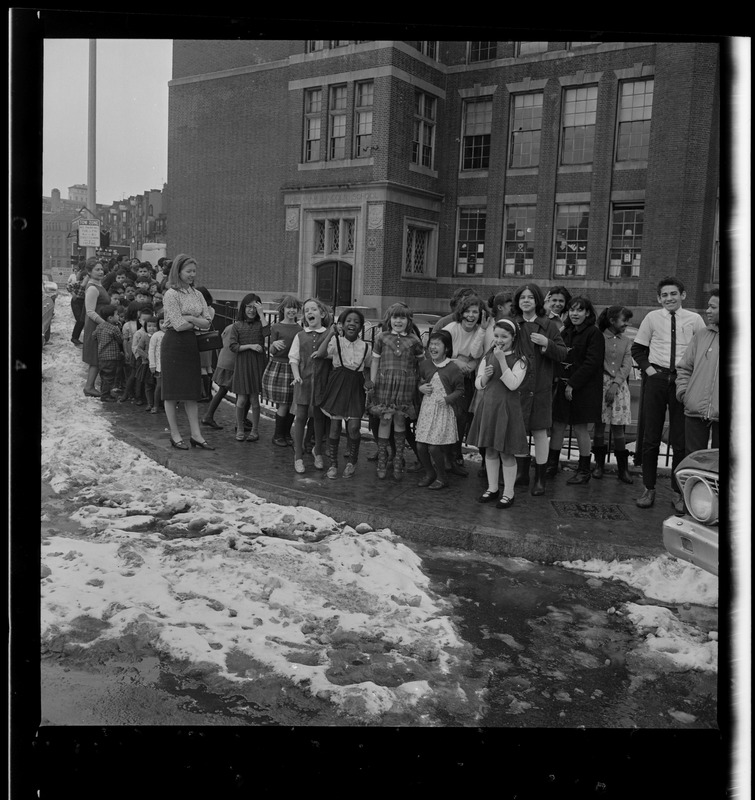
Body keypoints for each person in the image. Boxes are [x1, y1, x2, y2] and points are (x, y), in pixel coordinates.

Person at [631, 276, 707, 510]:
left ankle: (678, 491)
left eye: (673, 294)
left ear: (682, 295)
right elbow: (638, 348)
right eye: (664, 295)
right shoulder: (652, 318)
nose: (669, 298)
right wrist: (651, 371)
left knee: (680, 439)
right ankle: (649, 488)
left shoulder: (694, 319)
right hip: (657, 379)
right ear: (658, 298)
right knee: (650, 436)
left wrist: (691, 377)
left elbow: (703, 350)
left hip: (682, 381)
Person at [511, 283, 568, 495]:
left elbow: (563, 353)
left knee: (540, 432)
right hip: (517, 387)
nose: (526, 301)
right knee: (518, 431)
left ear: (537, 301)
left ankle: (541, 477)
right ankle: (521, 473)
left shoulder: (548, 326)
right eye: (522, 297)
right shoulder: (512, 324)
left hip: (542, 387)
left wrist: (547, 344)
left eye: (530, 297)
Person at [468, 318, 529, 507]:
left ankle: (509, 492)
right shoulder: (488, 356)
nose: (499, 340)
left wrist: (502, 361)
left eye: (504, 336)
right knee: (491, 450)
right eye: (496, 336)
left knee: (507, 453)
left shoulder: (520, 360)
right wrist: (484, 376)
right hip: (489, 406)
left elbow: (512, 384)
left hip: (507, 409)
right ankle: (492, 488)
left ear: (513, 337)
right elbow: (478, 384)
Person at [160, 253, 216, 450]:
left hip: (191, 344)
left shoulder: (196, 294)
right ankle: (175, 435)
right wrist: (194, 320)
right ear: (179, 271)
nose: (192, 274)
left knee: (191, 392)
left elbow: (208, 322)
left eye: (194, 271)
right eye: (188, 271)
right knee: (173, 392)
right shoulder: (171, 294)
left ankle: (196, 435)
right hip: (174, 345)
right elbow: (177, 324)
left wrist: (189, 319)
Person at [548, 297, 606, 485]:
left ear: (587, 313)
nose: (575, 314)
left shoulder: (594, 333)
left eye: (579, 310)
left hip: (584, 389)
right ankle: (551, 464)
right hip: (563, 385)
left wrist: (573, 383)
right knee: (558, 425)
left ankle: (583, 470)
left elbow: (592, 362)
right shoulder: (566, 331)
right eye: (572, 310)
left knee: (581, 428)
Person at [368, 303, 425, 480]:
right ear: (389, 319)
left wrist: (422, 382)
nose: (398, 321)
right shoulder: (382, 337)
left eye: (402, 318)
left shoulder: (415, 341)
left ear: (408, 321)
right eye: (395, 317)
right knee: (385, 421)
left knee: (400, 421)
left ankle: (399, 460)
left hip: (405, 386)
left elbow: (421, 364)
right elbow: (375, 362)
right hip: (385, 385)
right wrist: (372, 381)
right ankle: (383, 460)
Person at [315, 308, 372, 479]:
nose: (352, 324)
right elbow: (321, 353)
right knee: (334, 428)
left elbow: (368, 367)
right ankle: (333, 464)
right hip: (338, 385)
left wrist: (369, 381)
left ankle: (352, 462)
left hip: (355, 386)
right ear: (342, 324)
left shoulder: (366, 347)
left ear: (361, 326)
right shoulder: (336, 342)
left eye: (356, 321)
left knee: (354, 427)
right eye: (348, 321)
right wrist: (330, 334)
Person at [441, 293, 490, 472]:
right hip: (449, 377)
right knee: (452, 416)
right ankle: (449, 456)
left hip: (468, 378)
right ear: (461, 313)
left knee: (463, 418)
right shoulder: (451, 328)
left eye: (475, 312)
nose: (471, 316)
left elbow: (476, 353)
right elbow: (440, 353)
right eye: (468, 311)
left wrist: (482, 330)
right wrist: (458, 361)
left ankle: (455, 454)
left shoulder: (480, 331)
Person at [414, 330, 465, 490]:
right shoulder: (425, 365)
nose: (433, 348)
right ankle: (430, 473)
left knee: (434, 447)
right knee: (421, 446)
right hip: (427, 410)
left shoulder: (453, 368)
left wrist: (447, 399)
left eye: (437, 344)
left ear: (447, 348)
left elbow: (460, 389)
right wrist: (420, 388)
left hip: (443, 411)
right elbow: (418, 381)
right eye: (431, 344)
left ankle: (442, 477)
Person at [591, 305, 635, 484]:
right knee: (600, 424)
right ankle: (599, 465)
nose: (626, 324)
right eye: (624, 321)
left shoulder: (626, 341)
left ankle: (622, 469)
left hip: (619, 387)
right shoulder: (599, 338)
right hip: (600, 385)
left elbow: (627, 364)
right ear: (612, 321)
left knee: (618, 426)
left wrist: (616, 383)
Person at [289, 298, 332, 473]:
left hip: (322, 383)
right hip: (303, 382)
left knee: (319, 418)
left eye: (313, 310)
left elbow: (335, 355)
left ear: (322, 314)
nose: (309, 313)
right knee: (300, 417)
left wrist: (325, 355)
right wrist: (297, 376)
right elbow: (294, 359)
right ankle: (298, 455)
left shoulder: (329, 334)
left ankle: (318, 451)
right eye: (307, 311)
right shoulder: (300, 336)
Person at [675, 290, 720, 455]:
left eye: (712, 307)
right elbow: (685, 368)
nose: (707, 311)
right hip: (695, 412)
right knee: (694, 463)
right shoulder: (701, 335)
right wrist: (685, 394)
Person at [262, 295, 303, 447]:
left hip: (295, 368)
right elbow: (271, 350)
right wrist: (274, 345)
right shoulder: (276, 327)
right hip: (279, 367)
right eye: (288, 307)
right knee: (283, 404)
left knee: (293, 403)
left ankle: (286, 433)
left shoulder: (300, 329)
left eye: (294, 308)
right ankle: (278, 434)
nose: (291, 310)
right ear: (283, 309)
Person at [229, 293, 269, 442]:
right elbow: (233, 346)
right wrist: (251, 346)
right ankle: (239, 428)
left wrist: (262, 314)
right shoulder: (237, 325)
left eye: (255, 307)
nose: (251, 310)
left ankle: (255, 430)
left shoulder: (260, 324)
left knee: (254, 400)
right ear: (243, 307)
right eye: (249, 306)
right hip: (243, 365)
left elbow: (267, 332)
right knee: (241, 400)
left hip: (257, 365)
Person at [81, 260, 112, 397]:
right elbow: (90, 311)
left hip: (100, 324)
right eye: (97, 269)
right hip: (96, 325)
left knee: (98, 356)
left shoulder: (99, 285)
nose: (101, 272)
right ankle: (89, 387)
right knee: (95, 357)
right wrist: (104, 323)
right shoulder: (93, 288)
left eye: (101, 269)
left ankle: (91, 385)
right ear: (89, 272)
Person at [200, 320, 236, 430]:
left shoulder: (230, 326)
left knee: (223, 389)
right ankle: (208, 416)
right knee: (227, 390)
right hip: (231, 363)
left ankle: (209, 415)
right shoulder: (237, 328)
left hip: (224, 361)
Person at [92, 305, 124, 403]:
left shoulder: (100, 326)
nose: (118, 316)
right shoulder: (114, 329)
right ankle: (105, 396)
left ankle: (104, 392)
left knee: (104, 376)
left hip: (102, 356)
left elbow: (93, 336)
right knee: (109, 377)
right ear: (110, 318)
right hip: (112, 357)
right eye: (117, 315)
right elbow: (120, 339)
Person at [195, 286, 216, 403]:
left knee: (202, 367)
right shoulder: (211, 309)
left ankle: (204, 394)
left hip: (199, 336)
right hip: (208, 338)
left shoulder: (201, 310)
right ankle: (208, 393)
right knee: (208, 366)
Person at [132, 313, 158, 408]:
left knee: (157, 385)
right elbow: (139, 349)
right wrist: (147, 357)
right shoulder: (145, 337)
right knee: (148, 385)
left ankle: (157, 403)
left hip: (158, 365)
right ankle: (150, 403)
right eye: (149, 326)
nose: (152, 328)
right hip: (146, 364)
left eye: (154, 326)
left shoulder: (160, 336)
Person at [148, 312, 166, 415]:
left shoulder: (172, 334)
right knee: (159, 386)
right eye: (161, 322)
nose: (163, 325)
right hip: (159, 366)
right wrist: (152, 364)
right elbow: (151, 350)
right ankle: (155, 405)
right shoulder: (156, 336)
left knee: (168, 387)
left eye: (165, 322)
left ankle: (166, 405)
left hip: (170, 366)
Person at [69, 262, 91, 346]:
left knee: (82, 320)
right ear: (83, 277)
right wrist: (73, 293)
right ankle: (74, 338)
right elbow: (68, 286)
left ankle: (76, 338)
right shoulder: (78, 283)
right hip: (76, 301)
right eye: (86, 277)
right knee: (80, 319)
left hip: (83, 302)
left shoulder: (89, 285)